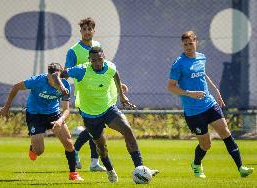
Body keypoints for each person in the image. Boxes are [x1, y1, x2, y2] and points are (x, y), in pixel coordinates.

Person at [54, 46, 158, 183]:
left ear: (104, 58)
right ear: (89, 60)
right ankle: (110, 169)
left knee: (127, 129)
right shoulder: (82, 70)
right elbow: (58, 74)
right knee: (101, 147)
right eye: (94, 60)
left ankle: (140, 167)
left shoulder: (110, 67)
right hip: (90, 114)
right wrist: (61, 86)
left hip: (108, 108)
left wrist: (122, 96)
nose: (97, 62)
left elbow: (115, 75)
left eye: (100, 59)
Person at [167, 31, 254, 178]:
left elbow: (203, 74)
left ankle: (241, 168)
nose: (188, 46)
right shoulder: (178, 64)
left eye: (191, 43)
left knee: (225, 132)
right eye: (185, 44)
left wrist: (217, 92)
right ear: (182, 45)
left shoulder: (201, 57)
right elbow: (171, 87)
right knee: (206, 145)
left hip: (209, 103)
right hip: (193, 111)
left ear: (196, 43)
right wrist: (189, 93)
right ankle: (196, 164)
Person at [0, 63, 84, 181]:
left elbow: (66, 110)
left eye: (57, 79)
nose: (54, 82)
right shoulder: (37, 80)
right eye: (51, 78)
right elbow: (16, 87)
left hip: (54, 114)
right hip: (35, 114)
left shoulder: (65, 85)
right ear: (47, 75)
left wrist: (60, 121)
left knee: (69, 144)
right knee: (39, 151)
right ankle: (33, 147)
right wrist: (6, 107)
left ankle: (73, 174)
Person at [65, 17, 127, 172]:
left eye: (89, 29)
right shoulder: (73, 51)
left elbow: (106, 70)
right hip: (84, 95)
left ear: (94, 30)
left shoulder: (98, 46)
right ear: (81, 32)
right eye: (84, 29)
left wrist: (117, 85)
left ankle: (94, 162)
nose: (87, 32)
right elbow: (67, 72)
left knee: (98, 128)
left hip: (101, 94)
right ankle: (77, 150)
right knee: (95, 128)